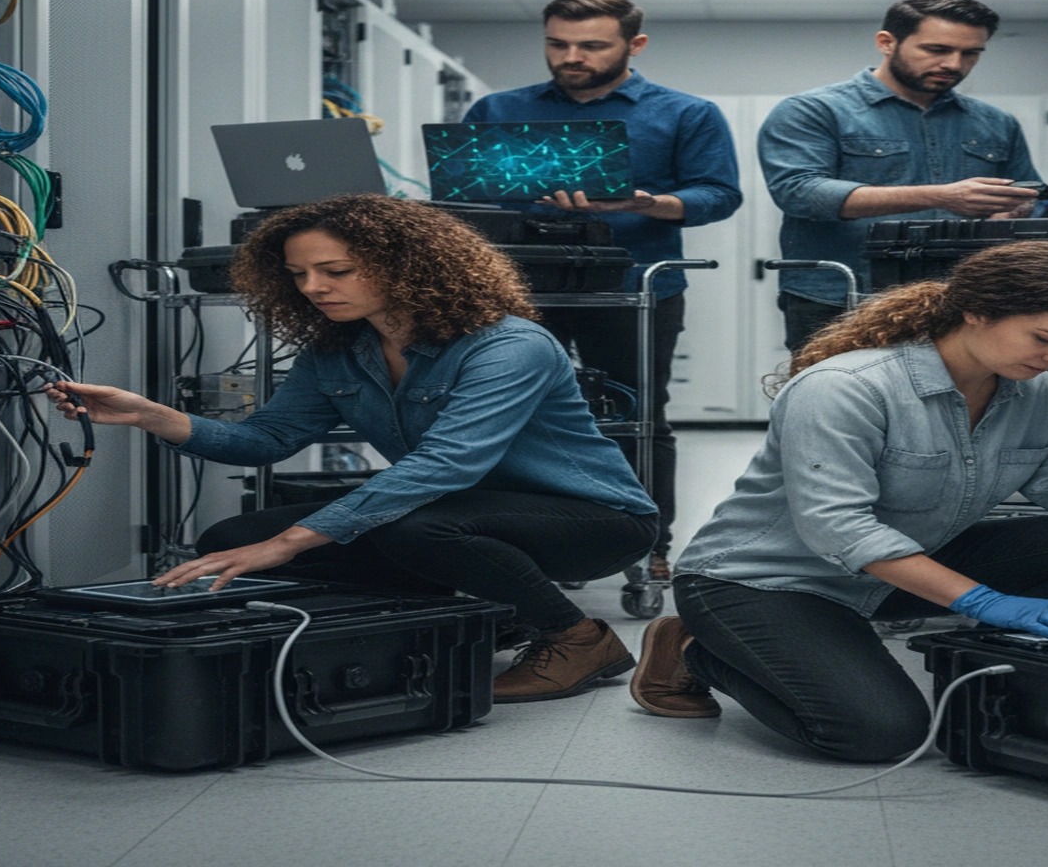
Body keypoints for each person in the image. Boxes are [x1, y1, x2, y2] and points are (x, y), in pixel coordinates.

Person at [623, 241, 1048, 760]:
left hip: (907, 566)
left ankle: (984, 666)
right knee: (879, 735)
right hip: (767, 580)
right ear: (978, 311)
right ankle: (699, 649)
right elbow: (839, 528)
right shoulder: (849, 387)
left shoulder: (1034, 388)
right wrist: (984, 601)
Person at [47, 195, 659, 704]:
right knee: (229, 542)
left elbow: (447, 464)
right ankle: (455, 622)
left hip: (594, 519)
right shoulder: (337, 350)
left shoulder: (508, 345)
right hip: (461, 512)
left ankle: (577, 637)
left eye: (336, 272)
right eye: (298, 275)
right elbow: (268, 439)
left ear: (409, 266)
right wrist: (154, 416)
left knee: (404, 529)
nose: (314, 288)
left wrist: (288, 542)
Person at [464, 0, 742, 582]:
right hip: (513, 288)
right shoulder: (497, 110)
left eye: (591, 45)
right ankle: (525, 539)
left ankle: (648, 543)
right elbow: (461, 195)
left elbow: (718, 194)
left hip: (634, 286)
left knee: (638, 416)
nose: (571, 56)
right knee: (506, 415)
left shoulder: (684, 113)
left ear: (633, 45)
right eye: (558, 44)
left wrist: (652, 203)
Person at [759, 0, 1048, 355]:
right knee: (835, 404)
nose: (954, 63)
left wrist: (1014, 210)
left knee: (959, 406)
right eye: (936, 49)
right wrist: (942, 196)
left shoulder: (996, 123)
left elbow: (1032, 199)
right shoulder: (814, 111)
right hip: (843, 295)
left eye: (971, 53)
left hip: (962, 296)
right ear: (887, 43)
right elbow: (800, 192)